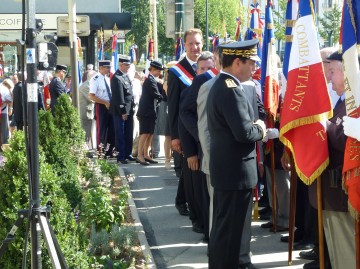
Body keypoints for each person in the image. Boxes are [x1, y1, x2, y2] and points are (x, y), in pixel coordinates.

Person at [207, 39, 266, 269]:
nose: (254, 68)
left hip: (229, 171)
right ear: (237, 62)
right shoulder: (230, 90)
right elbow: (243, 133)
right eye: (250, 63)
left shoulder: (223, 85)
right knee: (229, 234)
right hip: (235, 173)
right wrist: (260, 128)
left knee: (225, 230)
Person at [307, 51, 356, 269]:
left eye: (333, 71)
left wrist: (322, 127)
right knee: (337, 252)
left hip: (341, 191)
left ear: (349, 73)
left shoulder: (353, 104)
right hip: (331, 190)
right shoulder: (343, 103)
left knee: (345, 251)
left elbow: (345, 140)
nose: (329, 76)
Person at [167, 28, 203, 219]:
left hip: (203, 128)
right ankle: (182, 201)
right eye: (190, 44)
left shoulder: (207, 66)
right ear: (185, 45)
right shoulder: (176, 72)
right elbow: (172, 106)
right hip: (185, 129)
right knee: (188, 168)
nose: (194, 47)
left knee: (194, 169)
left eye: (197, 43)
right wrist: (175, 136)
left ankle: (186, 200)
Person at [136, 60, 164, 165]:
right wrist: (165, 98)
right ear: (152, 70)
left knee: (150, 133)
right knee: (144, 133)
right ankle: (139, 155)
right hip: (145, 112)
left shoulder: (154, 80)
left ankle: (146, 154)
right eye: (158, 70)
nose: (159, 73)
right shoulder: (150, 81)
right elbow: (157, 94)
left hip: (151, 111)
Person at [109, 55, 136, 164]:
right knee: (120, 134)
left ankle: (127, 153)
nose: (128, 67)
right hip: (120, 112)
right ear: (121, 65)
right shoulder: (116, 78)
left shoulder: (125, 76)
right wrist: (123, 111)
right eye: (127, 65)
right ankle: (121, 156)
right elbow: (119, 97)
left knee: (128, 133)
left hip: (129, 110)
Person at [155, 61, 177, 168]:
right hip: (168, 106)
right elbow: (170, 96)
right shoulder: (166, 83)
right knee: (168, 135)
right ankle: (167, 159)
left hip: (173, 106)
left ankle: (173, 157)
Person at [89, 60, 114, 154]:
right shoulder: (95, 79)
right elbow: (91, 96)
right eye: (107, 67)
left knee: (111, 129)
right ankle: (100, 151)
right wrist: (105, 103)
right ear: (101, 68)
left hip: (109, 105)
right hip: (101, 106)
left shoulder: (107, 78)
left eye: (109, 67)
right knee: (101, 129)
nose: (109, 69)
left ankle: (109, 151)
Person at [79, 70, 97, 147]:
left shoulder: (89, 84)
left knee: (89, 132)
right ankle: (85, 150)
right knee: (86, 132)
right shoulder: (86, 86)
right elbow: (92, 99)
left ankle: (87, 148)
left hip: (89, 112)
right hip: (86, 113)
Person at [0, 78, 14, 146]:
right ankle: (5, 144)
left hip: (2, 110)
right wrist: (10, 109)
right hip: (3, 112)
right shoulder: (5, 90)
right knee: (4, 129)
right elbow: (10, 100)